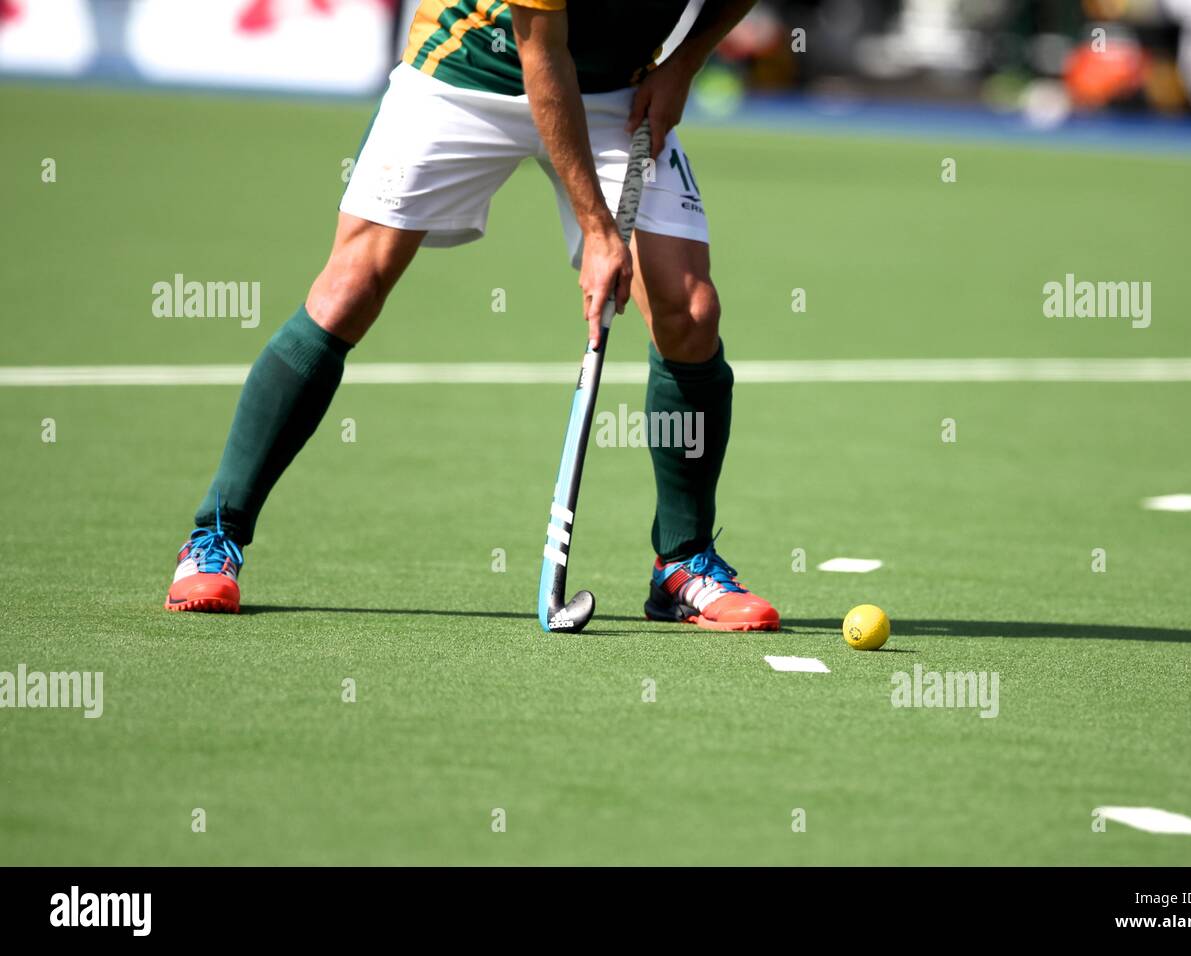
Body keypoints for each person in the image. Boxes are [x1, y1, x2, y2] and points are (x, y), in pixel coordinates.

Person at [165, 0, 781, 632]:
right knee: (350, 288)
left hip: (614, 92)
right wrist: (599, 231)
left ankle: (683, 563)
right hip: (469, 71)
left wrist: (684, 62)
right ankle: (215, 537)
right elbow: (544, 52)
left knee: (690, 311)